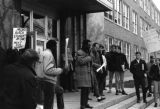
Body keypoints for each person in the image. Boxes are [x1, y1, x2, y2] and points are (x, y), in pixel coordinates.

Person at [36, 39, 63, 109]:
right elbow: (48, 70)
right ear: (53, 46)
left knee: (43, 103)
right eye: (56, 46)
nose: (56, 48)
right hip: (48, 82)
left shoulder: (41, 53)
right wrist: (60, 70)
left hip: (40, 81)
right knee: (48, 103)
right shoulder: (49, 55)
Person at [75, 39, 93, 109]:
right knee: (84, 90)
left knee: (87, 90)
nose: (89, 46)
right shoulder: (79, 52)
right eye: (88, 45)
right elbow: (81, 61)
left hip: (87, 74)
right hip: (82, 74)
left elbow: (89, 62)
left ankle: (85, 103)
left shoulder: (87, 52)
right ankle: (82, 105)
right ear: (85, 45)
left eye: (90, 45)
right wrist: (89, 58)